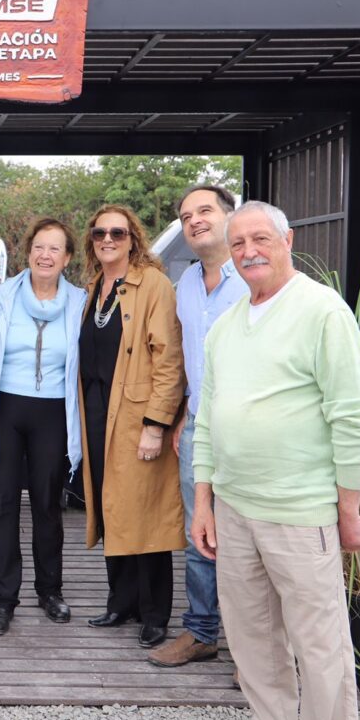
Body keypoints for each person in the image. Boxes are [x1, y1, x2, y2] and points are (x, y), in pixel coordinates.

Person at [190, 201, 360, 720]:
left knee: (320, 647)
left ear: (287, 240)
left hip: (301, 511)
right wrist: (203, 504)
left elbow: (354, 416)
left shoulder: (321, 310)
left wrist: (348, 510)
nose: (249, 252)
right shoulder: (226, 326)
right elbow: (207, 421)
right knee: (253, 642)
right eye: (239, 244)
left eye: (260, 240)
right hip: (233, 508)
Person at [0, 218, 87, 635]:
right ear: (28, 252)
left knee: (48, 506)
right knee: (2, 505)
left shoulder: (81, 302)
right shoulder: (1, 296)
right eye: (39, 247)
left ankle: (50, 590)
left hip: (53, 412)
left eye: (55, 249)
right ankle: (3, 598)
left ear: (67, 258)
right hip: (5, 411)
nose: (45, 255)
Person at [147, 185, 247, 668]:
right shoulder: (184, 282)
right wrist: (183, 411)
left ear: (231, 216)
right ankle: (202, 632)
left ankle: (256, 651)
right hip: (197, 430)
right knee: (199, 533)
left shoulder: (255, 279)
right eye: (187, 216)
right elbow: (184, 357)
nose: (195, 221)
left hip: (250, 432)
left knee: (253, 538)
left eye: (205, 211)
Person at [78, 204, 185, 650]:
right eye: (100, 232)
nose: (108, 239)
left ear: (133, 239)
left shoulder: (154, 284)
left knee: (146, 512)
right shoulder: (94, 286)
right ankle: (121, 601)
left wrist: (155, 425)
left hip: (137, 416)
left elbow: (170, 359)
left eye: (117, 233)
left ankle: (154, 613)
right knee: (112, 506)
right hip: (99, 415)